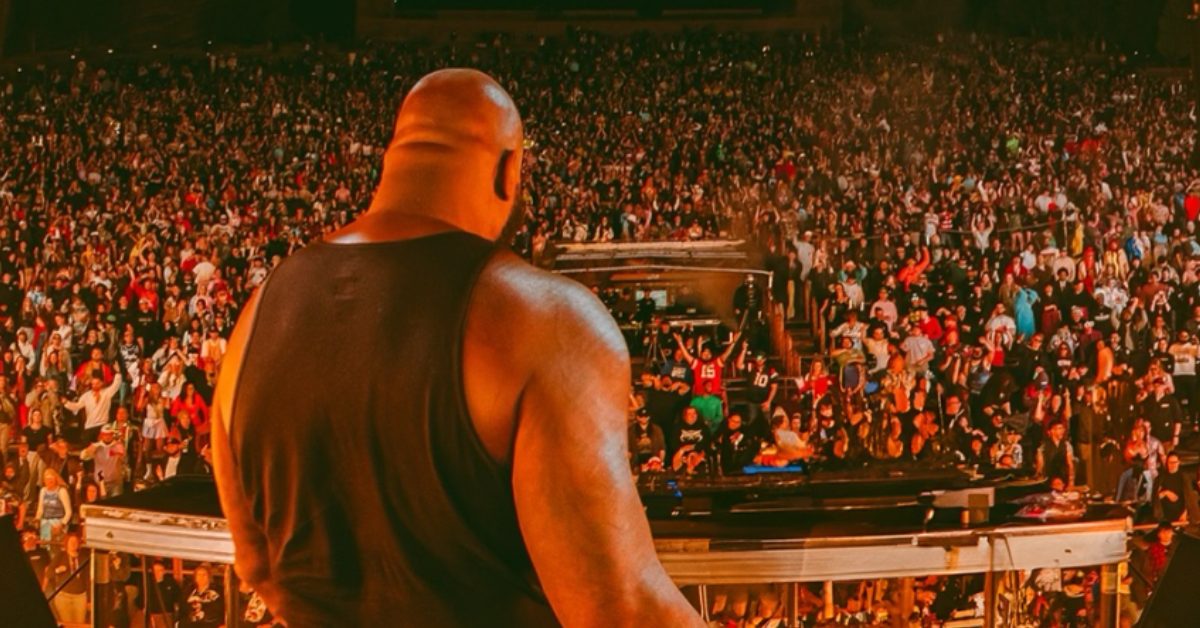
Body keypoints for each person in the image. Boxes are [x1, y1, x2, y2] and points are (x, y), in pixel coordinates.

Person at [211, 69, 701, 626]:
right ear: (508, 169)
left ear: (393, 158)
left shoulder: (257, 314)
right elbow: (620, 608)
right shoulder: (546, 319)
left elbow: (256, 565)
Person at [34, 468, 71, 542]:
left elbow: (68, 512)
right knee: (45, 544)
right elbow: (40, 509)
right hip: (45, 522)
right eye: (47, 479)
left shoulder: (61, 491)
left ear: (55, 479)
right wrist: (37, 519)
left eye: (51, 478)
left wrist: (62, 525)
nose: (49, 481)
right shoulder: (43, 491)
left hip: (58, 523)